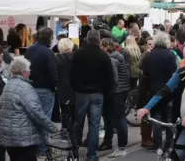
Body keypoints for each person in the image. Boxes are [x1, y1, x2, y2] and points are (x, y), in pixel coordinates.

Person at [0, 57, 58, 161]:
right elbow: (36, 112)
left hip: (8, 137)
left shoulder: (8, 86)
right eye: (28, 70)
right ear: (24, 72)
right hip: (24, 138)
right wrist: (53, 128)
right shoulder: (25, 88)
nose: (30, 72)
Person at [70, 30, 114, 161]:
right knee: (94, 124)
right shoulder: (104, 56)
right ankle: (92, 155)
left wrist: (76, 88)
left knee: (78, 122)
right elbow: (109, 78)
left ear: (87, 39)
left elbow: (72, 75)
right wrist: (105, 93)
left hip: (82, 93)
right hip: (98, 94)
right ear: (99, 40)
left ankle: (74, 149)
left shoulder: (78, 54)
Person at [139, 32, 177, 150]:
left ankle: (158, 143)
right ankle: (170, 142)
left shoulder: (149, 56)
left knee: (156, 117)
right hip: (169, 90)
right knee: (169, 117)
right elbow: (175, 72)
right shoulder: (171, 55)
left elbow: (145, 74)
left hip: (154, 90)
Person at [24, 27, 57, 154]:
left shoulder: (30, 49)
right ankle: (43, 149)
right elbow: (52, 72)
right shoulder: (48, 52)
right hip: (45, 89)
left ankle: (35, 147)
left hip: (31, 87)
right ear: (49, 37)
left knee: (33, 119)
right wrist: (54, 87)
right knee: (44, 120)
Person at [99, 38, 130, 157]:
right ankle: (111, 143)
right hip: (122, 90)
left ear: (106, 47)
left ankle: (122, 147)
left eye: (101, 46)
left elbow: (114, 79)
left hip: (117, 91)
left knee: (119, 118)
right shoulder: (118, 56)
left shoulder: (111, 59)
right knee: (115, 118)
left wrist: (110, 91)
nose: (100, 48)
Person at [55, 38, 76, 134]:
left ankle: (65, 130)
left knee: (64, 110)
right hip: (75, 87)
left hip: (62, 87)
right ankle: (73, 131)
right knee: (74, 111)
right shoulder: (76, 56)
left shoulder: (57, 58)